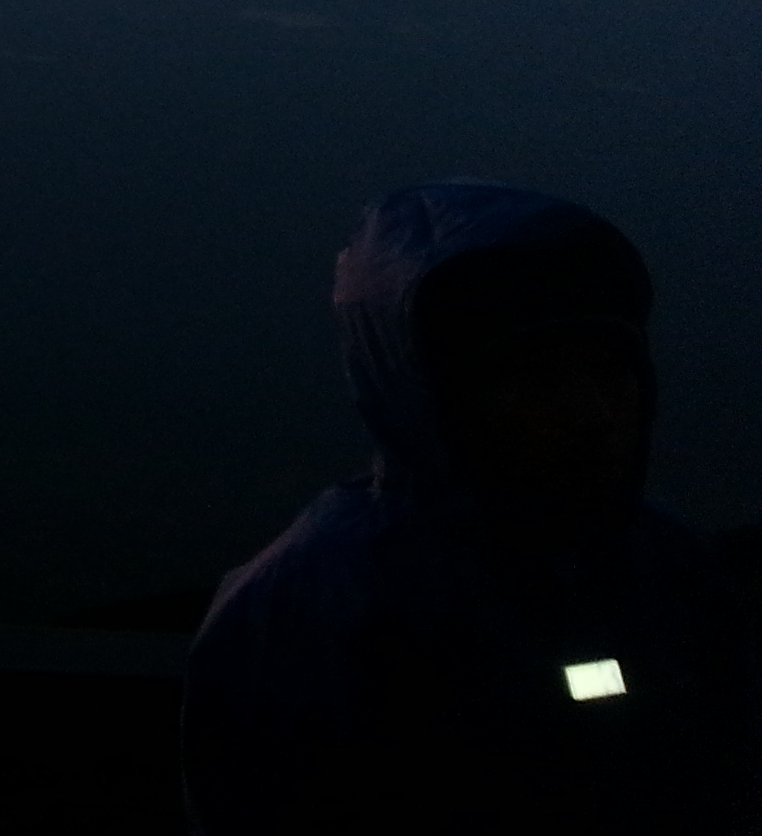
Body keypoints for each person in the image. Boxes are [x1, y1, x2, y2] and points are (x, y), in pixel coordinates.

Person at [185, 181, 760, 835]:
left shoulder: (665, 563)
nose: (592, 413)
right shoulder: (315, 606)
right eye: (537, 379)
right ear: (431, 397)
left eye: (610, 370)